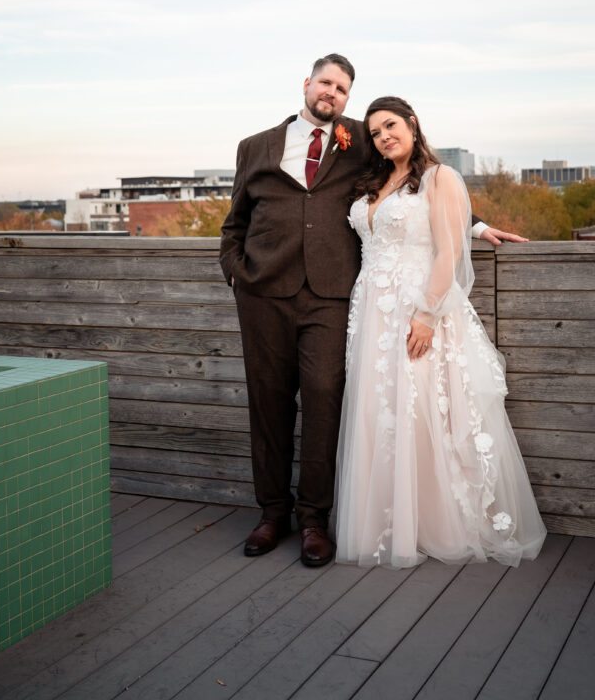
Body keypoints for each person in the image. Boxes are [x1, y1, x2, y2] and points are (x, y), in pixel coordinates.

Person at [220, 55, 527, 568]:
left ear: (348, 98)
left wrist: (475, 226)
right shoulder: (255, 147)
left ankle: (315, 519)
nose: (332, 94)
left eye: (342, 89)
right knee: (268, 404)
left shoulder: (362, 138)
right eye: (326, 83)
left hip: (331, 297)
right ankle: (272, 514)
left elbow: (420, 180)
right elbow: (236, 221)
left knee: (325, 400)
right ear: (307, 84)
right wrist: (234, 271)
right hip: (264, 294)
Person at [333, 96, 546, 567]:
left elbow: (447, 249)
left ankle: (435, 521)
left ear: (412, 123)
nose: (383, 136)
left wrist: (427, 316)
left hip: (418, 306)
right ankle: (389, 520)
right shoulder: (374, 180)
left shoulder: (440, 176)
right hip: (370, 312)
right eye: (374, 132)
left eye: (390, 125)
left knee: (422, 408)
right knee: (380, 412)